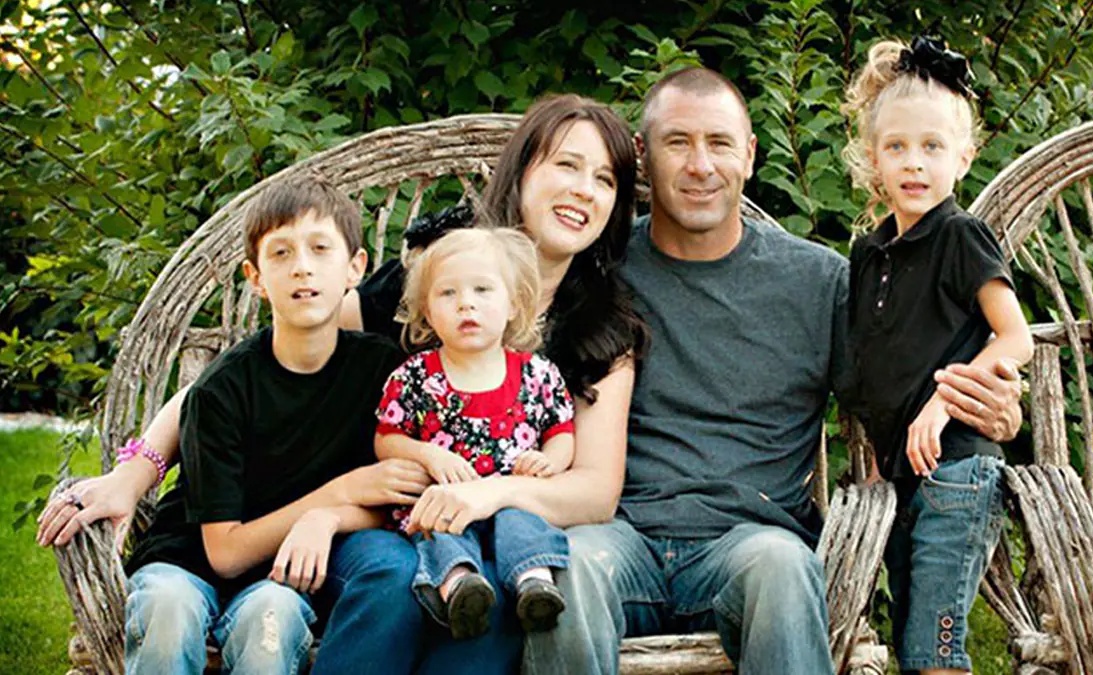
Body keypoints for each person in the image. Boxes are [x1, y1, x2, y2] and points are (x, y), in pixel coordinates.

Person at [38, 93, 649, 674]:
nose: (582, 190)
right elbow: (251, 371)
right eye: (566, 165)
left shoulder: (602, 329)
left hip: (494, 532)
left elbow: (593, 491)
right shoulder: (431, 280)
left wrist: (486, 497)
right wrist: (134, 471)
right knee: (403, 575)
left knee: (482, 593)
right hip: (386, 519)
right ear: (520, 173)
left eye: (605, 179)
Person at [522, 67, 1025, 675]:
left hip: (750, 546)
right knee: (566, 567)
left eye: (720, 143)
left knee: (784, 567)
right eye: (677, 143)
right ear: (643, 157)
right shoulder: (598, 269)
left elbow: (900, 383)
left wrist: (990, 407)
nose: (700, 165)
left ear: (751, 155)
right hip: (620, 538)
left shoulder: (817, 282)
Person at [106, 173, 416, 674]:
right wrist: (336, 495)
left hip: (280, 577)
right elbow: (224, 552)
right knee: (165, 609)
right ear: (255, 278)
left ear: (355, 268)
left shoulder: (383, 374)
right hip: (190, 560)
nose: (302, 269)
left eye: (320, 249)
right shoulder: (220, 391)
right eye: (281, 254)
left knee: (270, 620)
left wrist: (333, 514)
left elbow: (391, 502)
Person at [841, 37, 1034, 675]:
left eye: (932, 147)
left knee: (935, 644)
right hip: (901, 478)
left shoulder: (960, 236)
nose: (914, 163)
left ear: (964, 157)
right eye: (896, 147)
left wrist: (943, 401)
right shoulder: (870, 256)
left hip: (956, 470)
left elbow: (1014, 337)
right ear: (873, 157)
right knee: (909, 644)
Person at [374, 228, 574, 639]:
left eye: (483, 289)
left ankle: (534, 584)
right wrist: (430, 456)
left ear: (514, 304)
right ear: (427, 312)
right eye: (447, 294)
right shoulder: (416, 377)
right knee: (439, 531)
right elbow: (387, 438)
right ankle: (461, 588)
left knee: (524, 522)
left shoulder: (536, 374)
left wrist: (550, 460)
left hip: (511, 497)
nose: (466, 303)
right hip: (448, 503)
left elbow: (562, 430)